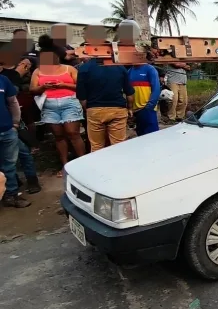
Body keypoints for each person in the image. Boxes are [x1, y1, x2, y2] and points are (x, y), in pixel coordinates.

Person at [30, 35, 85, 177]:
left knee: (73, 134)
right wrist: (43, 87)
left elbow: (81, 86)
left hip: (69, 103)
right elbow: (32, 90)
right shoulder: (38, 71)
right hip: (49, 105)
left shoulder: (69, 69)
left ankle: (83, 163)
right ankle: (65, 166)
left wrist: (63, 85)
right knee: (59, 136)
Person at [76, 58, 135, 152]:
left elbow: (82, 97)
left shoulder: (84, 68)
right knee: (119, 146)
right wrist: (130, 108)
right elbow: (129, 93)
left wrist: (88, 109)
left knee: (96, 146)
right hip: (117, 109)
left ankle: (98, 166)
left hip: (95, 110)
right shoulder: (119, 67)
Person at [0, 73, 31, 207]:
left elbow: (13, 102)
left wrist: (15, 123)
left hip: (7, 130)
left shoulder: (3, 79)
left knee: (9, 165)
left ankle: (11, 196)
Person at [128, 63, 161, 136]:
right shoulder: (130, 71)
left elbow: (156, 90)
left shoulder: (150, 69)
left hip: (147, 109)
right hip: (136, 111)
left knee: (152, 136)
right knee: (141, 136)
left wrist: (149, 107)